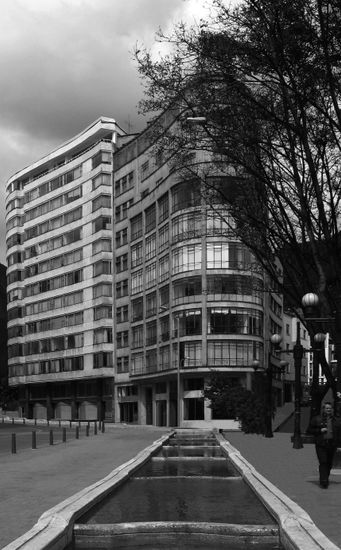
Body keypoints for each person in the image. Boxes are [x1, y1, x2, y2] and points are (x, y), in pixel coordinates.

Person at [309, 402, 340, 488]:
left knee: (329, 463)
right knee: (323, 462)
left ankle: (325, 478)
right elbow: (310, 430)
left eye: (330, 408)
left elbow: (339, 434)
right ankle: (324, 481)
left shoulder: (336, 420)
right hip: (321, 444)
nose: (328, 410)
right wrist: (319, 430)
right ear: (323, 409)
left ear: (332, 409)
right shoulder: (317, 419)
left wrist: (339, 446)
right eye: (327, 408)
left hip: (332, 445)